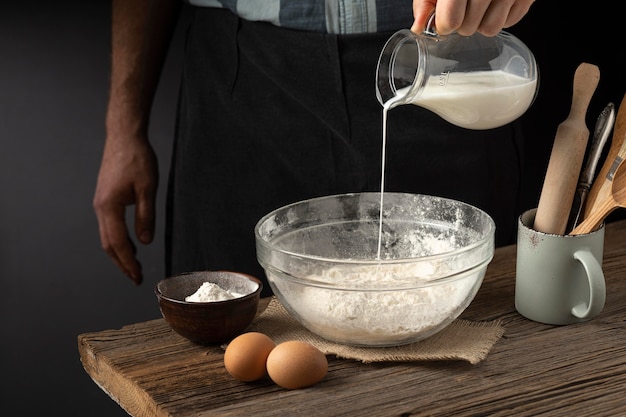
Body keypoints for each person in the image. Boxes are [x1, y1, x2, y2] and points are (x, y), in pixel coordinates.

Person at [93, 0, 536, 294]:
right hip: (242, 82)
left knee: (473, 323)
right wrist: (123, 127)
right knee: (232, 343)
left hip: (448, 55)